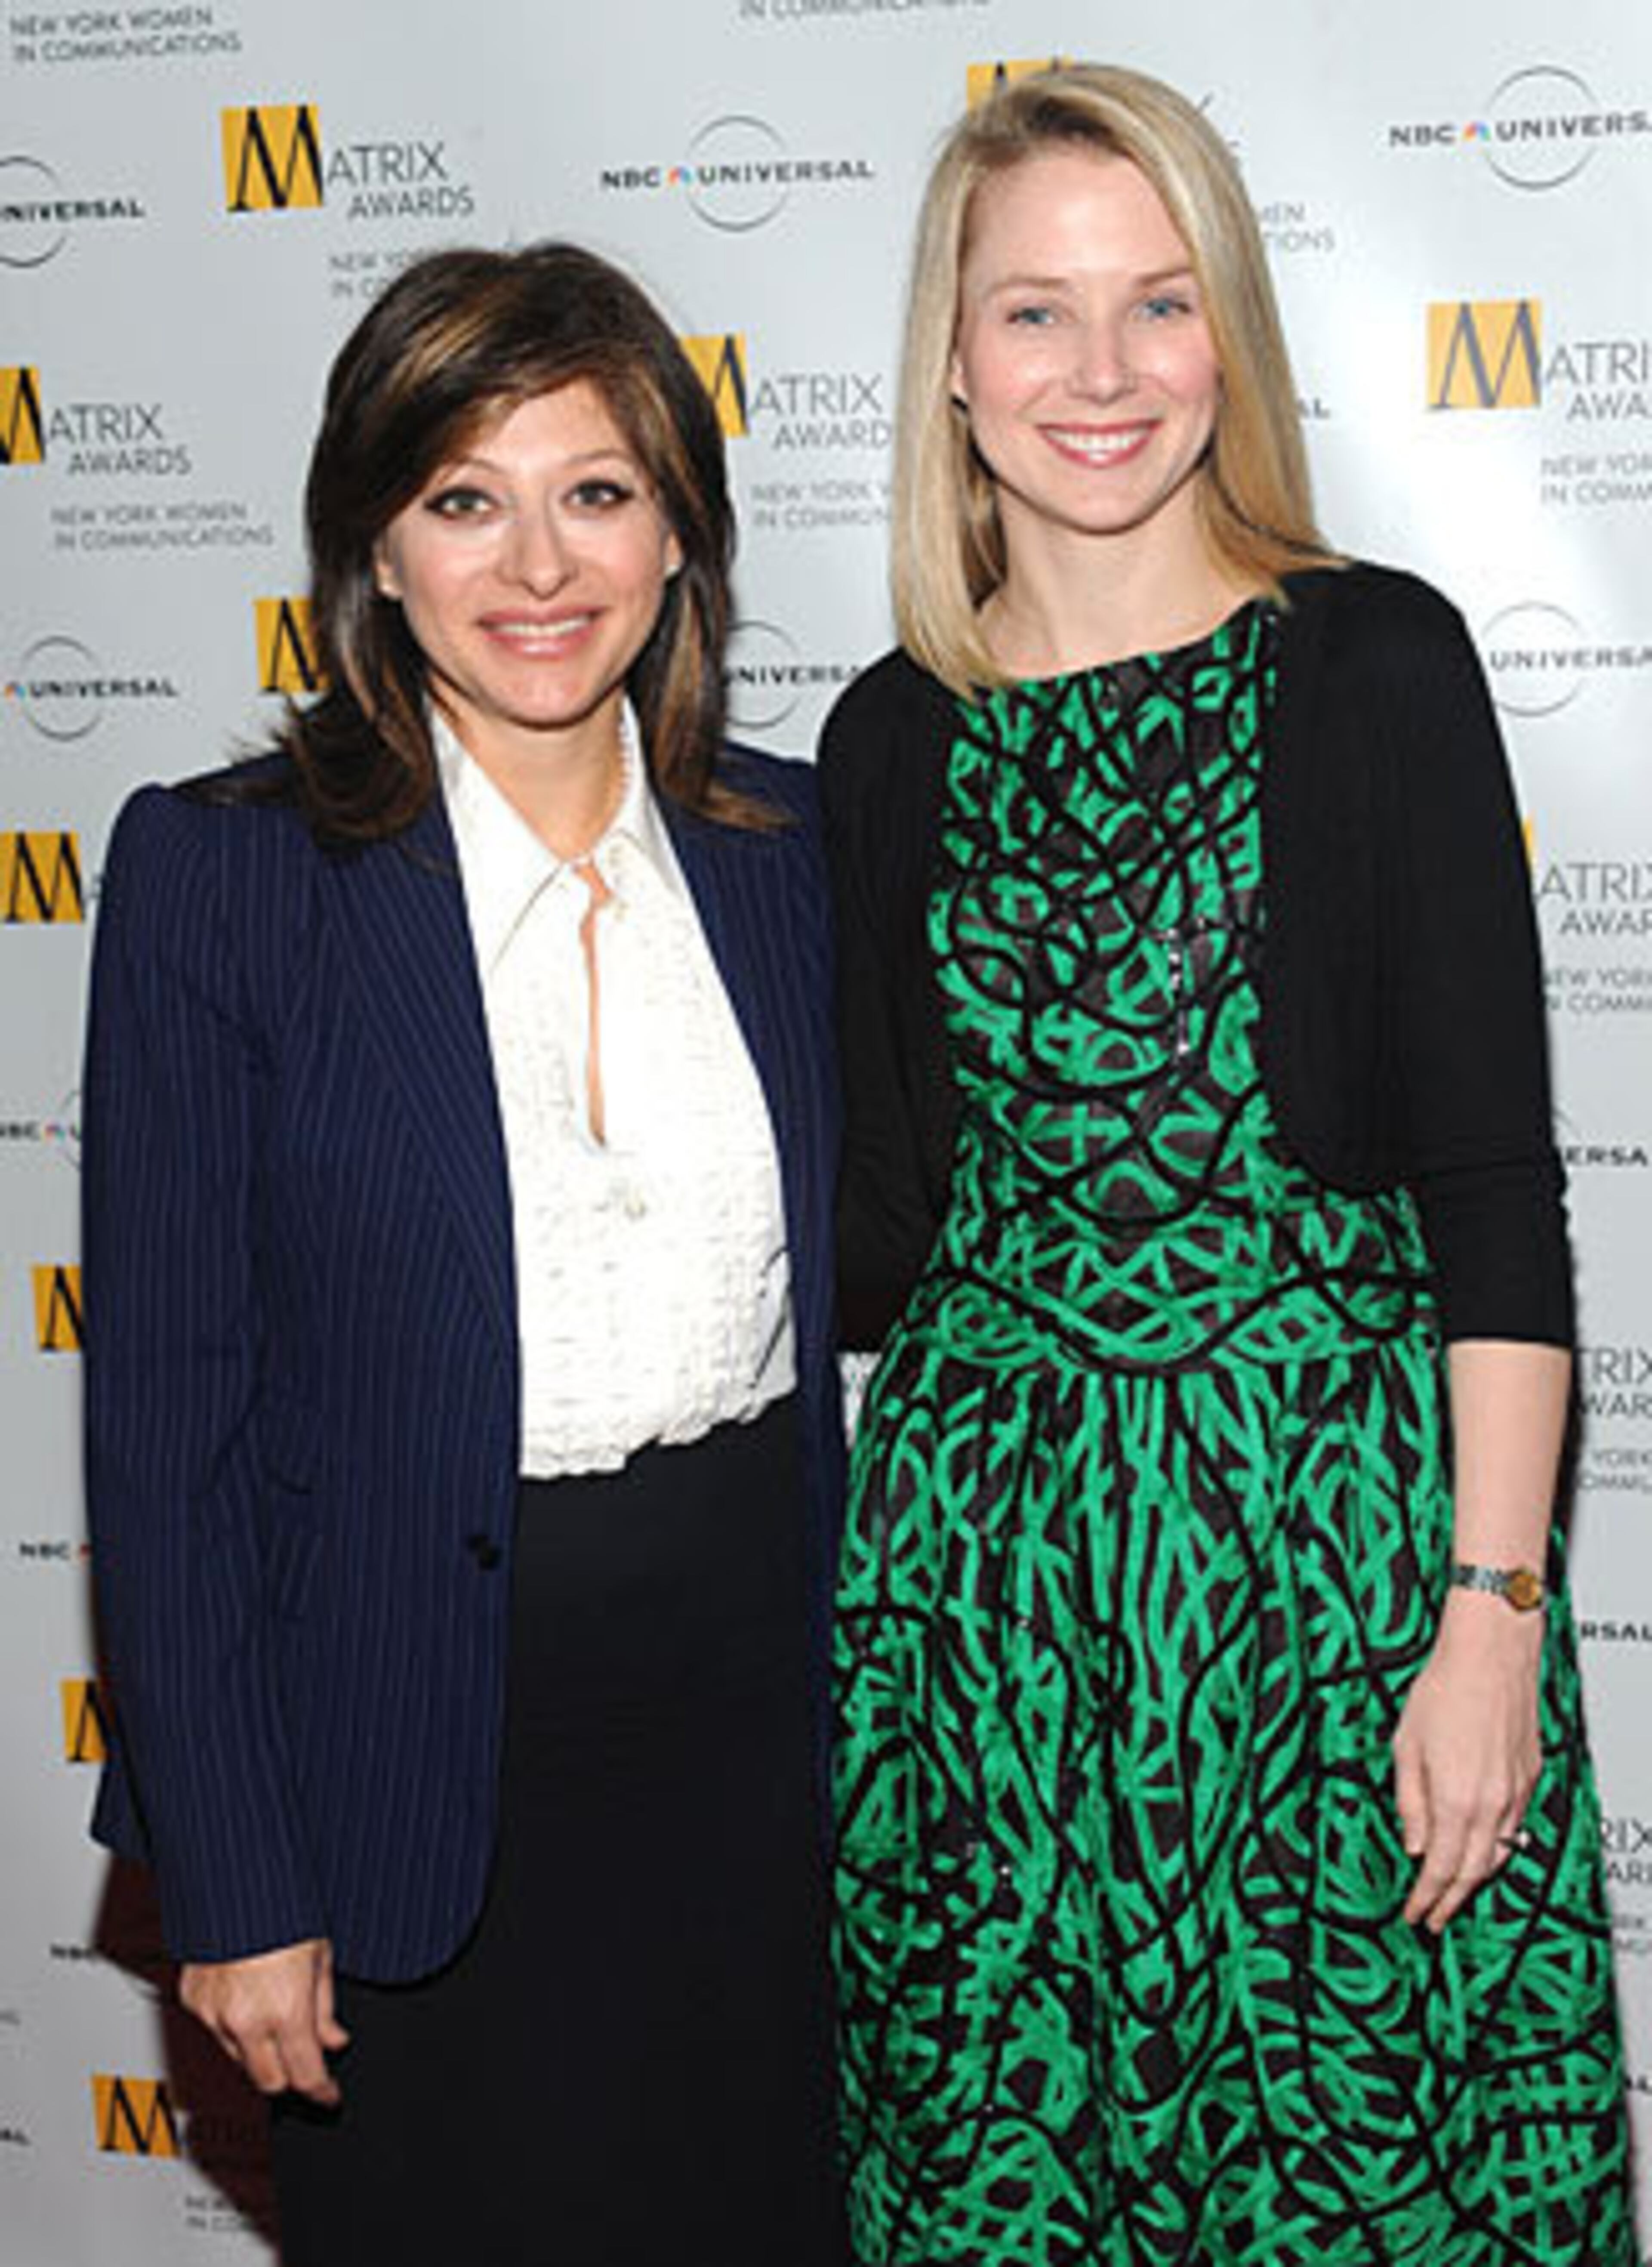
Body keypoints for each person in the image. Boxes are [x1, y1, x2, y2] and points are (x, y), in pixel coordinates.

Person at [820, 63, 1634, 2266]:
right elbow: (873, 1238)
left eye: (1156, 304)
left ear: (1229, 339)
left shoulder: (1375, 662)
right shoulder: (888, 738)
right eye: (1033, 314)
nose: (1100, 374)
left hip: (1332, 1588)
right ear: (954, 367)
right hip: (986, 1618)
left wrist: (1488, 1621)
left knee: (1364, 2180)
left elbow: (1491, 1186)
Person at [83, 241, 846, 2267]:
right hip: (410, 1770)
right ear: (376, 549)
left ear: (680, 534)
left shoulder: (799, 854)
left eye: (597, 490)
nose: (539, 563)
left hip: (762, 1766)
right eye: (464, 498)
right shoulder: (226, 877)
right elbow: (165, 1439)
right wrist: (233, 1878)